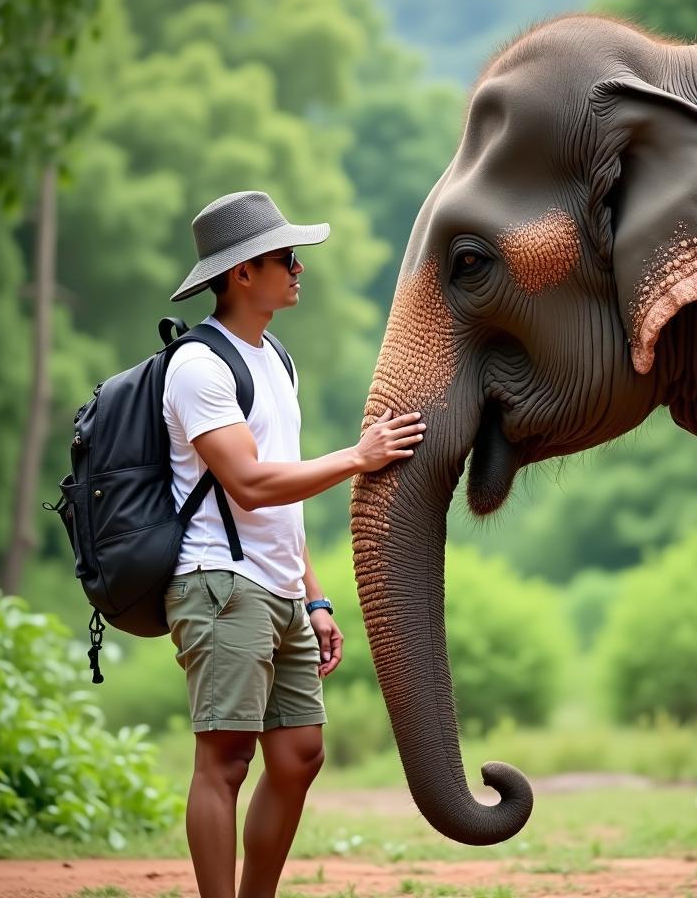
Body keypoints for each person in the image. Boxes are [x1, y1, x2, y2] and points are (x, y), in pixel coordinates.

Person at [163, 190, 425, 898]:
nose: (299, 269)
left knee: (300, 753)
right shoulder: (198, 367)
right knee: (223, 762)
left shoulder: (273, 356)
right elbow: (249, 483)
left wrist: (314, 596)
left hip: (279, 588)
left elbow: (285, 497)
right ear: (242, 273)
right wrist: (358, 457)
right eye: (286, 258)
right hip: (219, 582)